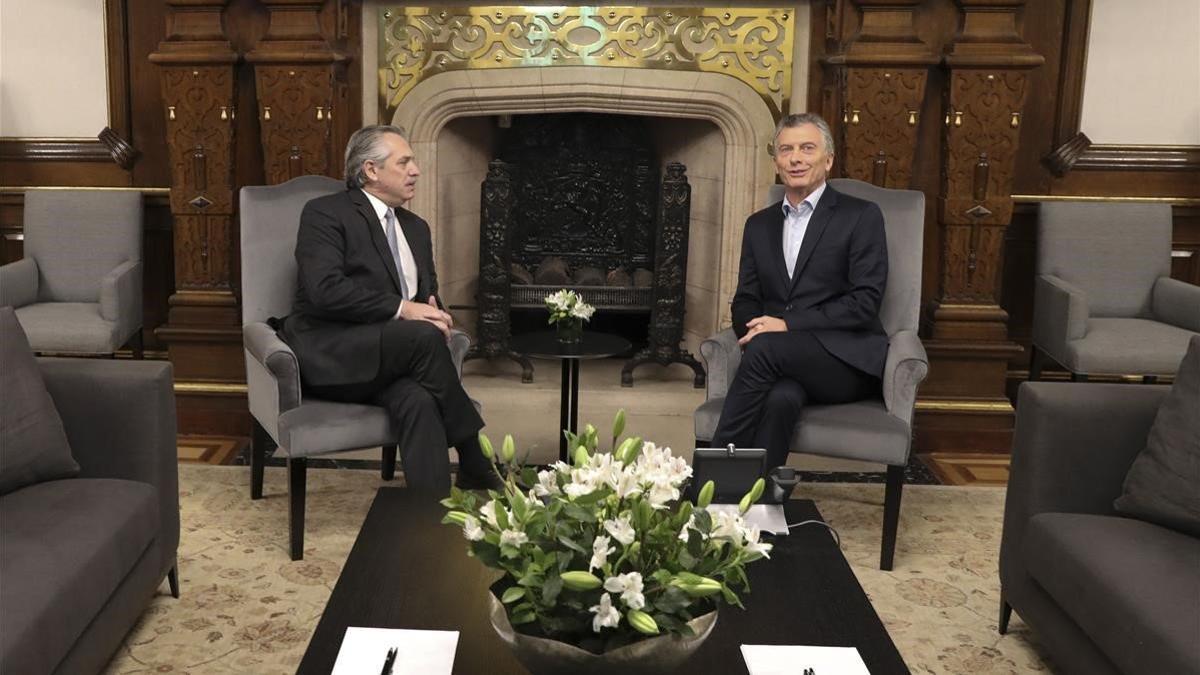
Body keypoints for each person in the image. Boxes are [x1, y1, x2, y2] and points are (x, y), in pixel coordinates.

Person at [277, 124, 500, 491]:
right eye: (404, 162)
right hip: (335, 353)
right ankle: (474, 458)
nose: (416, 170)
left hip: (392, 358)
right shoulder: (325, 214)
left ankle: (431, 516)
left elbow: (425, 299)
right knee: (423, 339)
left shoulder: (416, 228)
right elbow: (323, 290)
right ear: (370, 170)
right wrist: (404, 309)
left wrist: (435, 311)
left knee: (419, 400)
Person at [712, 113, 888, 471]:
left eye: (807, 148)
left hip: (845, 359)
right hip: (780, 358)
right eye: (786, 150)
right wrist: (755, 326)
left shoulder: (861, 216)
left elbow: (865, 302)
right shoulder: (758, 225)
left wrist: (785, 325)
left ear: (829, 159)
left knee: (763, 350)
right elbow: (746, 297)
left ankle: (707, 483)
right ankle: (760, 506)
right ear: (776, 161)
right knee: (781, 398)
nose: (796, 158)